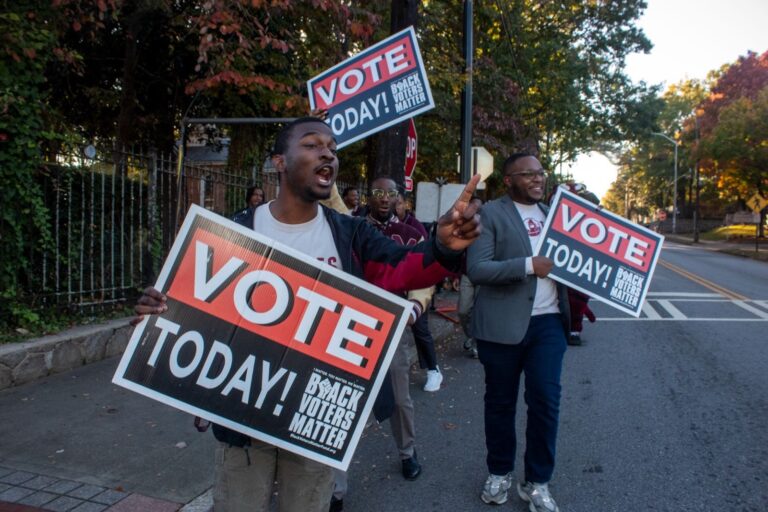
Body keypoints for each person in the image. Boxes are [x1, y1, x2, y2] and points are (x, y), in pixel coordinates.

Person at [132, 117, 482, 512]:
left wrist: (442, 245)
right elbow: (194, 316)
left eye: (332, 147)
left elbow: (404, 266)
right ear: (279, 162)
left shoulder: (349, 234)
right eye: (313, 144)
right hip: (241, 424)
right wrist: (161, 311)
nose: (328, 153)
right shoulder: (232, 232)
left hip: (314, 423)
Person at [466, 153, 569, 512]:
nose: (538, 179)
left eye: (541, 173)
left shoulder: (557, 216)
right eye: (528, 174)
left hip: (548, 324)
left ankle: (537, 483)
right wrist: (528, 266)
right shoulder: (491, 213)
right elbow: (477, 268)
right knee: (500, 403)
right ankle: (499, 473)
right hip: (501, 326)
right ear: (508, 180)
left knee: (545, 403)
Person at [393, 192, 442, 391]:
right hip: (389, 286)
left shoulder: (415, 228)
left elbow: (426, 260)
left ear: (405, 204)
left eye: (398, 202)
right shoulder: (374, 225)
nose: (392, 205)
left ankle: (433, 370)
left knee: (420, 330)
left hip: (415, 288)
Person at [457, 196, 483, 357]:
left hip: (483, 275)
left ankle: (476, 343)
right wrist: (453, 276)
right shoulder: (462, 227)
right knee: (463, 310)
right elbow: (457, 252)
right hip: (466, 274)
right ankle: (471, 336)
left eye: (477, 209)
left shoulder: (488, 227)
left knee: (479, 311)